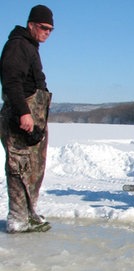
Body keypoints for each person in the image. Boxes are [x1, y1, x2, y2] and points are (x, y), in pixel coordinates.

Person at [0, 5, 54, 233]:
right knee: (20, 167)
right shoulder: (18, 45)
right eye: (43, 27)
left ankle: (29, 213)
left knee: (34, 169)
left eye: (51, 29)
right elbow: (11, 81)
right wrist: (23, 112)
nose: (47, 32)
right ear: (31, 24)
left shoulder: (30, 47)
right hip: (19, 119)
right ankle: (18, 218)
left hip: (33, 122)